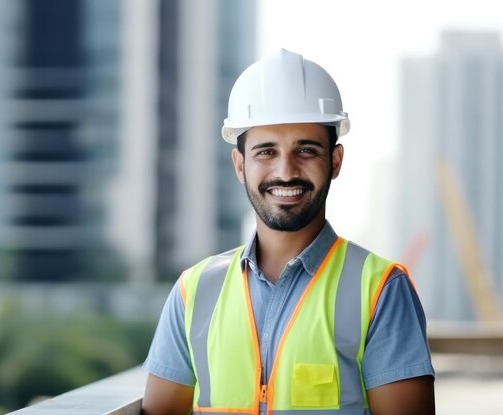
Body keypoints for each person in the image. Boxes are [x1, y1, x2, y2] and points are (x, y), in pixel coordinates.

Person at [141, 49, 435, 415]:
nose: (286, 171)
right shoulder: (194, 291)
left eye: (307, 150)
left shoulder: (380, 290)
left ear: (335, 161)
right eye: (266, 151)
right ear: (239, 164)